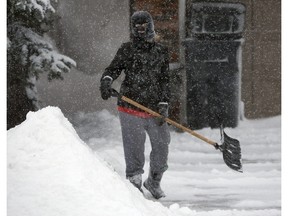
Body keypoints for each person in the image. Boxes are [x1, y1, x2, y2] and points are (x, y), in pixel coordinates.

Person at [100, 11, 170, 199]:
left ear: (150, 25)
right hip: (129, 107)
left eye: (143, 25)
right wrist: (106, 81)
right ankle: (134, 184)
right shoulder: (127, 49)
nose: (140, 29)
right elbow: (112, 69)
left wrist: (164, 103)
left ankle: (153, 181)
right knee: (134, 149)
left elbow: (165, 80)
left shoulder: (161, 51)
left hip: (154, 109)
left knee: (162, 146)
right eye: (136, 25)